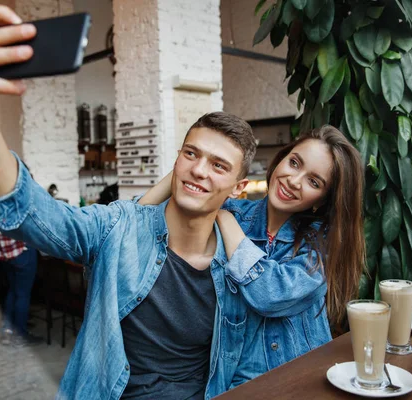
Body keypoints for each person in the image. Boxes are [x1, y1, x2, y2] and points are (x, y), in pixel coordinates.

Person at [0, 6, 266, 398]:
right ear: (176, 161)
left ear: (239, 188)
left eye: (218, 165)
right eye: (191, 154)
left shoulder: (243, 266)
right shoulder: (120, 228)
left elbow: (250, 362)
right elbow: (33, 215)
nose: (200, 169)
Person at [139, 125, 365, 372]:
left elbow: (271, 293)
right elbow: (140, 217)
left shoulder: (322, 241)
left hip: (301, 376)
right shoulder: (236, 211)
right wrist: (189, 166)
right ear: (281, 159)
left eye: (313, 181)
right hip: (234, 376)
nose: (293, 180)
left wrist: (225, 220)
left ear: (323, 199)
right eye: (294, 163)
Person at [0, 223, 41, 346]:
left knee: (13, 291)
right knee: (23, 295)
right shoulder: (16, 203)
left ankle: (7, 331)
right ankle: (20, 335)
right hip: (22, 251)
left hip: (6, 254)